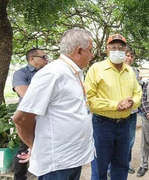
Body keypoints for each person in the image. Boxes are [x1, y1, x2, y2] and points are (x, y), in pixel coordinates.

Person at [12, 29, 95, 180]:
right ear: (79, 51)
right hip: (57, 163)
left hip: (73, 159)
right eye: (90, 50)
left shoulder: (74, 72)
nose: (92, 55)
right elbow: (21, 119)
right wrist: (35, 147)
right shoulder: (53, 74)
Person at [85, 34, 142, 180]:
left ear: (125, 50)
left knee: (121, 164)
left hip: (125, 124)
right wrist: (116, 105)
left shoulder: (130, 71)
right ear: (107, 50)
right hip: (103, 125)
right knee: (100, 166)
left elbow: (138, 93)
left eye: (121, 48)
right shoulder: (96, 69)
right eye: (114, 47)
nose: (117, 50)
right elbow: (89, 100)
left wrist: (131, 103)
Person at [12, 48, 48, 180]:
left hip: (46, 118)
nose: (47, 59)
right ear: (32, 59)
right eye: (43, 57)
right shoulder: (21, 73)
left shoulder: (48, 73)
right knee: (24, 150)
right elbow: (26, 95)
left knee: (44, 149)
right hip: (29, 119)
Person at [125, 45, 142, 174]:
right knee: (116, 140)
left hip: (132, 112)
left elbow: (139, 91)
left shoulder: (135, 71)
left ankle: (127, 163)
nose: (129, 58)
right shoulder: (114, 68)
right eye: (127, 55)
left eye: (131, 56)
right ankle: (110, 167)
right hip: (118, 111)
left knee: (130, 139)